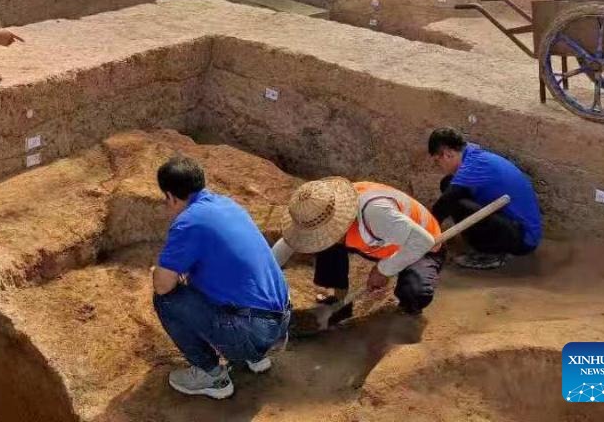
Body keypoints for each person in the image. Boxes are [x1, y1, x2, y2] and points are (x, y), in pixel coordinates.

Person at [152, 155, 290, 400]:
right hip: (281, 324)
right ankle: (256, 358)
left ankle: (211, 375)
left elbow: (163, 285)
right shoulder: (227, 204)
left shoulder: (188, 223)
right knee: (211, 284)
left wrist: (160, 274)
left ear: (171, 196)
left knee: (166, 299)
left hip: (253, 332)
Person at [280, 177, 443, 323]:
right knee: (324, 243)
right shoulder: (320, 209)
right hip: (380, 242)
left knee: (414, 293)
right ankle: (339, 300)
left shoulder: (376, 212)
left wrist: (383, 270)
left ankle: (408, 313)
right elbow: (286, 243)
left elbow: (423, 241)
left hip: (422, 246)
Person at [429, 128, 542, 270]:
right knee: (448, 184)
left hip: (523, 239)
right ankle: (481, 242)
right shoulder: (472, 154)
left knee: (455, 202)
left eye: (437, 161)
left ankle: (492, 254)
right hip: (510, 225)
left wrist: (424, 237)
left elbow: (442, 206)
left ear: (447, 154)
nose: (439, 166)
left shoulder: (473, 167)